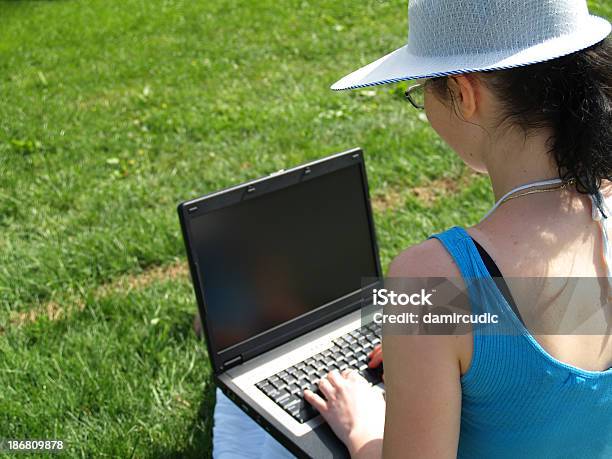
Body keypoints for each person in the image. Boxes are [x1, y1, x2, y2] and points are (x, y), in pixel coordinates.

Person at [212, 1, 612, 457]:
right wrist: (428, 351)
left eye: (421, 89)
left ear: (463, 93)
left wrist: (364, 428)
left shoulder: (430, 280)